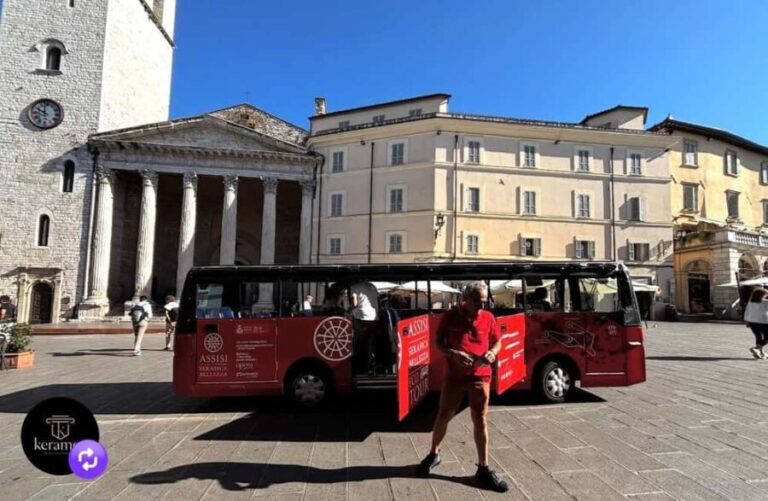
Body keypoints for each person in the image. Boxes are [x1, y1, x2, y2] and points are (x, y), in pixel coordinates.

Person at [416, 281, 508, 493]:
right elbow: (438, 343)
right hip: (455, 377)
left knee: (480, 418)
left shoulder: (488, 318)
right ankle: (433, 453)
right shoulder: (450, 317)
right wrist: (452, 353)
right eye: (478, 301)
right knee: (444, 414)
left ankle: (483, 468)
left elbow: (498, 342)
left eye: (485, 302)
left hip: (481, 376)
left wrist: (492, 353)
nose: (482, 307)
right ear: (466, 298)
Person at [349, 281, 379, 374]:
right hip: (374, 316)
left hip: (360, 316)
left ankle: (360, 365)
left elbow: (355, 303)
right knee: (371, 342)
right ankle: (370, 366)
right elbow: (377, 300)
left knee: (359, 341)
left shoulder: (354, 286)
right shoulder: (372, 286)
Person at [744, 288, 768, 359]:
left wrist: (747, 321)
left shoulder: (750, 302)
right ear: (762, 295)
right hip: (764, 322)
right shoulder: (765, 302)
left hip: (752, 322)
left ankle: (760, 352)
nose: (766, 295)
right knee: (766, 337)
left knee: (758, 336)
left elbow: (747, 312)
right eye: (765, 294)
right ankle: (756, 348)